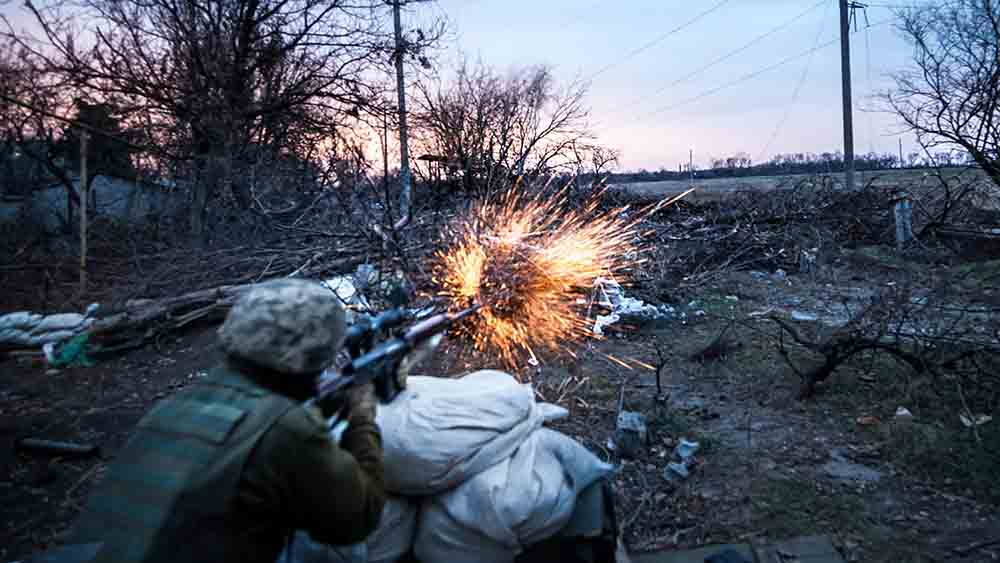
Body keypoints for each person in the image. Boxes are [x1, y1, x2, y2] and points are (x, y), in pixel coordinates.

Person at [71, 279, 386, 563]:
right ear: (315, 353)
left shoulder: (175, 405)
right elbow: (358, 518)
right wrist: (362, 417)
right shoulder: (286, 427)